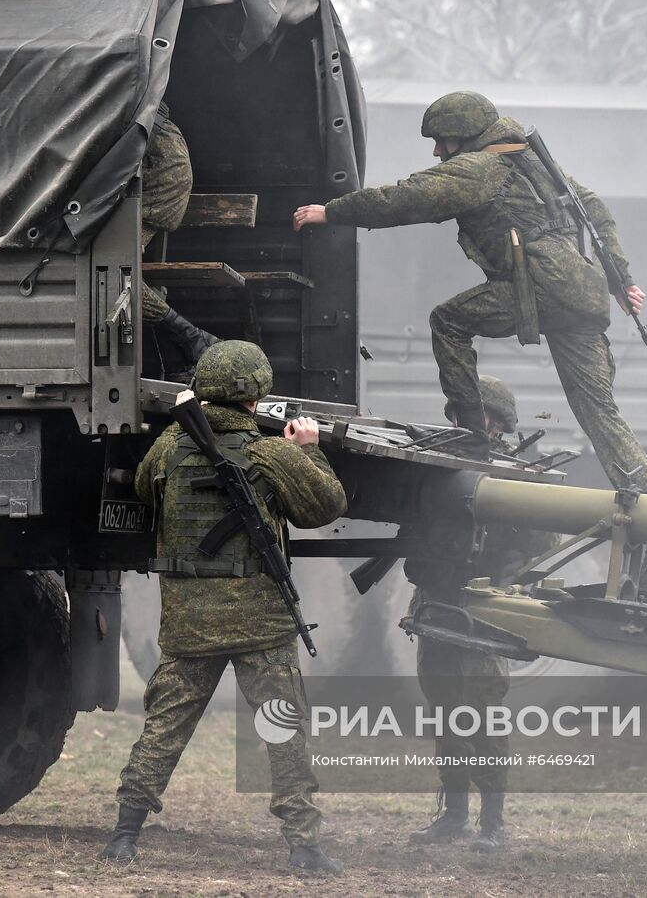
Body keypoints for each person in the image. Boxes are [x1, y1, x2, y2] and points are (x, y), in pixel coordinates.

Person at [292, 90, 647, 585]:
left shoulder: (481, 169)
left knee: (447, 321)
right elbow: (594, 210)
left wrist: (332, 212)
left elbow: (408, 198)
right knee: (600, 413)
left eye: (441, 142)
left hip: (539, 289)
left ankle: (473, 435)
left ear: (462, 137)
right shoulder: (531, 159)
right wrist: (620, 279)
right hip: (584, 293)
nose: (436, 153)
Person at [102, 340, 347, 874]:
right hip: (262, 622)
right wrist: (308, 449)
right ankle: (303, 845)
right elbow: (326, 505)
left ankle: (125, 834)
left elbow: (145, 489)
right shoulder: (270, 453)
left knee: (163, 730)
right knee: (283, 732)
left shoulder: (169, 447)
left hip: (190, 623)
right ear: (256, 396)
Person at [404, 376, 556, 850]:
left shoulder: (514, 473)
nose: (468, 421)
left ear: (500, 422)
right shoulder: (435, 462)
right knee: (446, 716)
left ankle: (493, 823)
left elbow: (542, 543)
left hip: (484, 610)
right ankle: (453, 815)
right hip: (436, 605)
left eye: (481, 414)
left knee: (484, 716)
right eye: (463, 412)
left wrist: (506, 570)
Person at [141, 102, 217, 374]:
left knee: (115, 279)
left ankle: (195, 340)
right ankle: (193, 340)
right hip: (154, 175)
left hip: (161, 183)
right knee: (114, 277)